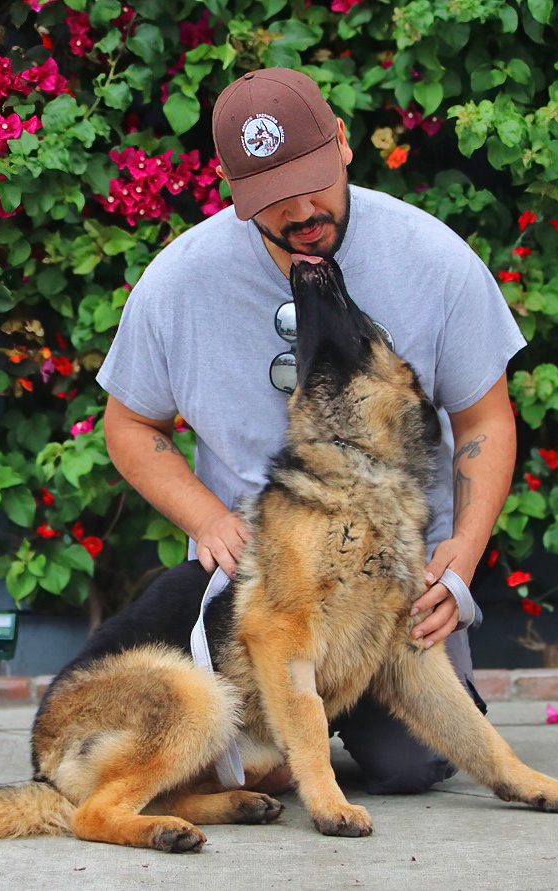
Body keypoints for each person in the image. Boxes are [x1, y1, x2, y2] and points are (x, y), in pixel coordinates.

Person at [96, 67, 525, 794]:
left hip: (388, 579)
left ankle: (309, 730)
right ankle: (274, 738)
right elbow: (130, 424)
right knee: (233, 756)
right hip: (262, 579)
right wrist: (206, 518)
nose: (300, 210)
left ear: (344, 145)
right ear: (232, 190)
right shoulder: (178, 282)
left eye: (312, 180)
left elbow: (484, 416)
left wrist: (465, 550)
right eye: (272, 195)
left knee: (414, 764)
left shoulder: (433, 259)